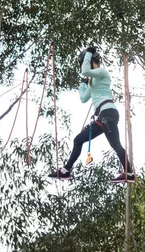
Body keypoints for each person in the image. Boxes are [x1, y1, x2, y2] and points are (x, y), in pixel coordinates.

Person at [48, 47, 133, 183]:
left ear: (92, 61)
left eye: (85, 63)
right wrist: (83, 84)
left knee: (115, 144)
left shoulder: (101, 72)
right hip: (101, 117)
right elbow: (83, 98)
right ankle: (66, 171)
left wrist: (88, 53)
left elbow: (86, 71)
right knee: (78, 140)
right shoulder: (92, 81)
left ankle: (129, 172)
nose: (84, 67)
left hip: (108, 112)